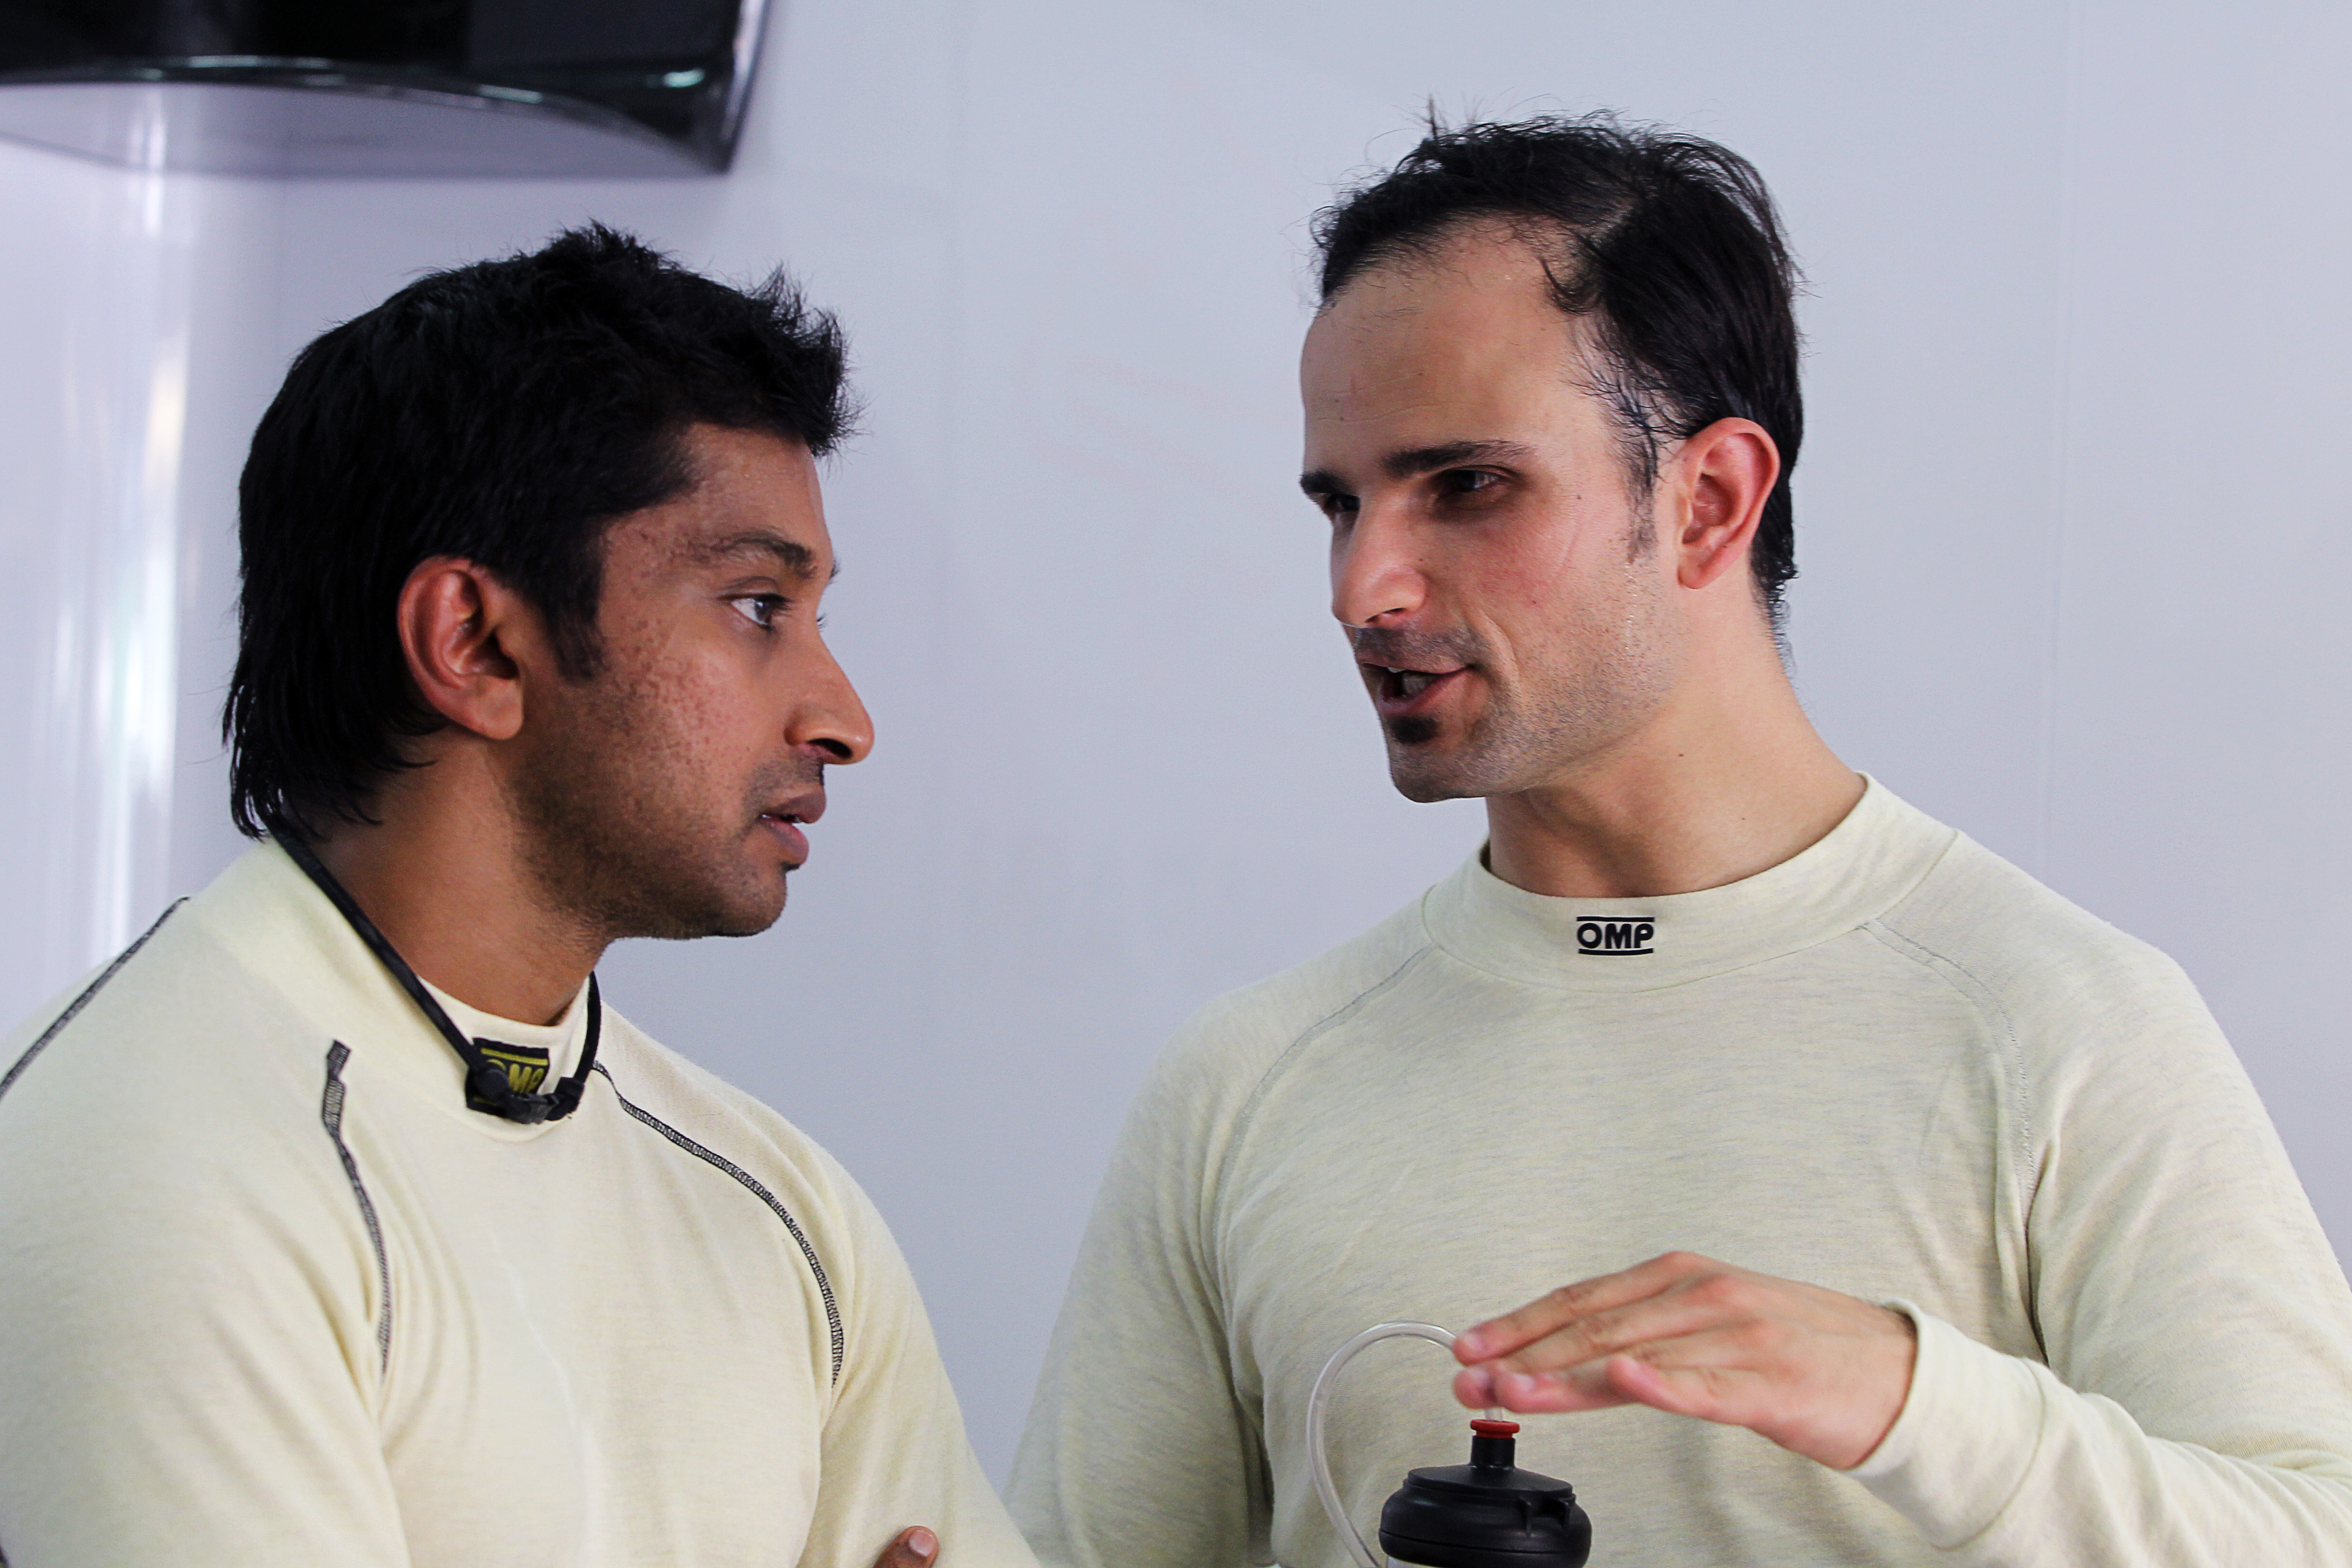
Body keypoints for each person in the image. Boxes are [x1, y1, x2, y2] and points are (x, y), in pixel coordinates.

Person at [1008, 117, 2352, 1565]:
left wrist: (1912, 1402)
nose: (1363, 588)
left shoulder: (2059, 1029)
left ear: (1709, 502)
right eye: (1342, 503)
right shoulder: (1244, 1085)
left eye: (1466, 486)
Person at [0, 226, 1031, 1568]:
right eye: (757, 606)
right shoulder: (150, 1168)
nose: (845, 718)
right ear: (476, 643)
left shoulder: (785, 1210)